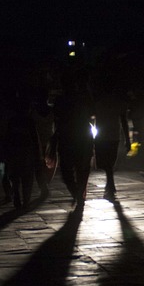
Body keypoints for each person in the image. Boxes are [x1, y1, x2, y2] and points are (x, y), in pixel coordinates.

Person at [50, 66, 95, 212]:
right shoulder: (82, 98)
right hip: (80, 136)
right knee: (80, 169)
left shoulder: (62, 100)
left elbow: (57, 120)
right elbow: (92, 113)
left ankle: (78, 194)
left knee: (68, 171)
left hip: (68, 138)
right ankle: (79, 195)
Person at [0, 91, 43, 209]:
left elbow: (8, 138)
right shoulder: (29, 121)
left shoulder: (12, 121)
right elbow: (35, 139)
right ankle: (26, 200)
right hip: (26, 153)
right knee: (27, 178)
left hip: (14, 152)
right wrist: (38, 154)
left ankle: (17, 196)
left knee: (15, 176)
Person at [92, 73, 131, 202]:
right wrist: (127, 139)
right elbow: (124, 121)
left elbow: (124, 121)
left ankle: (110, 187)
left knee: (106, 163)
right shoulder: (116, 102)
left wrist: (127, 139)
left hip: (105, 136)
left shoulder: (99, 102)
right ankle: (110, 186)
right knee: (106, 164)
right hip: (112, 136)